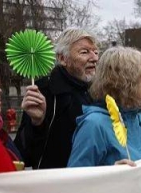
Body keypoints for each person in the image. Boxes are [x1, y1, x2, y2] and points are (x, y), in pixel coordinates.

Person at [15, 28, 99, 169]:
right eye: (84, 52)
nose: (94, 58)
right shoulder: (45, 91)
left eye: (96, 52)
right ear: (62, 59)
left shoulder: (96, 92)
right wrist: (37, 123)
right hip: (55, 183)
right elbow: (24, 155)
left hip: (89, 182)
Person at [67, 47, 141, 167]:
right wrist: (110, 174)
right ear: (126, 81)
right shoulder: (94, 125)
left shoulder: (138, 119)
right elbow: (74, 179)